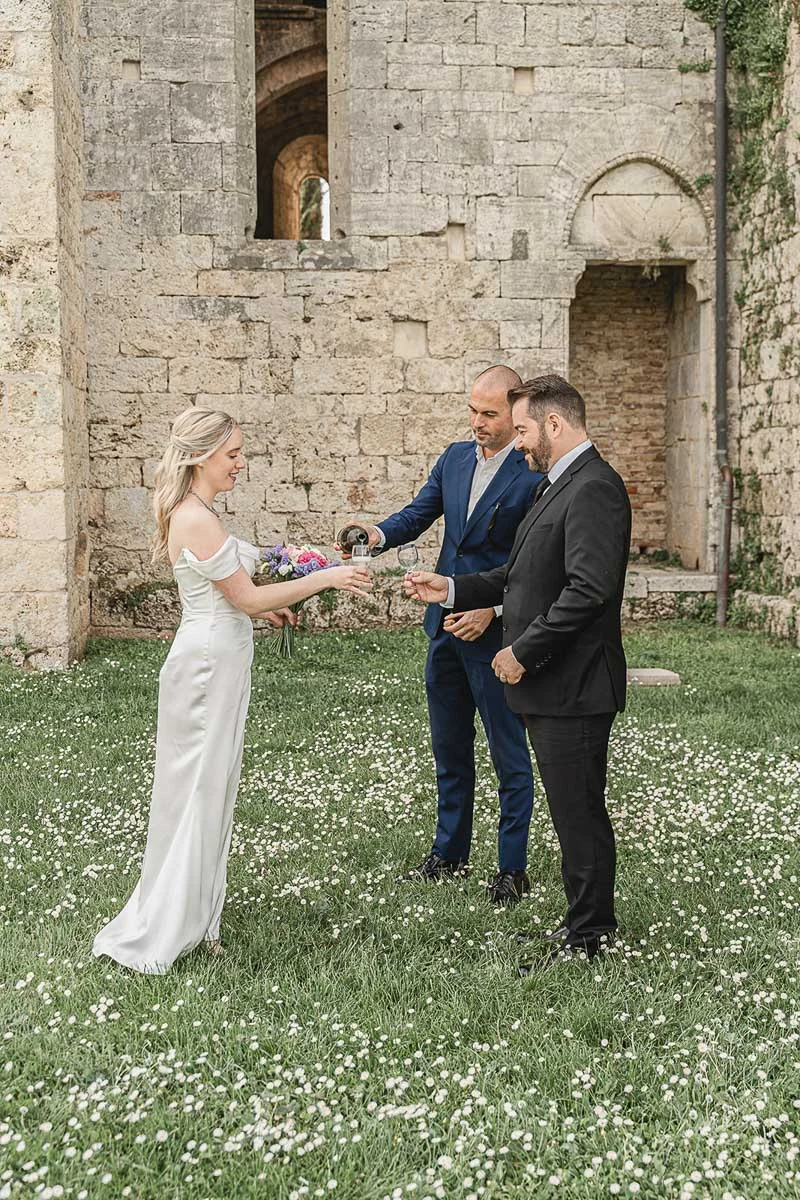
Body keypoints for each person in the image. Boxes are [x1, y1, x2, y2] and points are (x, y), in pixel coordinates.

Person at [92, 408, 371, 974]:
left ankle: (199, 916)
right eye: (233, 454)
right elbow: (242, 597)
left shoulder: (202, 513)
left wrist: (273, 607)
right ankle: (170, 923)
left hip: (218, 657)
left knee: (212, 786)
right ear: (201, 458)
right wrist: (325, 578)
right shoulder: (193, 517)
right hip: (204, 667)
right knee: (196, 788)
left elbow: (227, 589)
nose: (241, 463)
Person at [404, 374, 631, 966]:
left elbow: (588, 591)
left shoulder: (594, 489)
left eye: (525, 428)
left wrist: (521, 649)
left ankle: (589, 938)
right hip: (554, 686)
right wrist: (449, 586)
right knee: (571, 810)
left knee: (579, 815)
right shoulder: (557, 484)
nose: (520, 442)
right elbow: (517, 577)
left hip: (575, 685)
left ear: (553, 424)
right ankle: (584, 927)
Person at [340, 366, 543, 906]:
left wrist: (493, 606)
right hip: (443, 630)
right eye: (472, 411)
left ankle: (511, 868)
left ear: (514, 411)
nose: (477, 422)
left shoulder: (531, 472)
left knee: (508, 754)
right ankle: (449, 853)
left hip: (496, 634)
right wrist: (375, 534)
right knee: (449, 748)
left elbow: (538, 561)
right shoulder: (454, 458)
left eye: (489, 414)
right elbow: (418, 514)